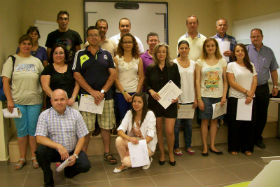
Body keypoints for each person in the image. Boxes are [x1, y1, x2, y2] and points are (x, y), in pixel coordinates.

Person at [73, 26, 117, 164]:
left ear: (100, 37)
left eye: (96, 35)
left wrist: (102, 92)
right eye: (91, 35)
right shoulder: (79, 54)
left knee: (106, 127)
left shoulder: (107, 54)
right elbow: (76, 74)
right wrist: (92, 92)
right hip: (87, 97)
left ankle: (107, 153)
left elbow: (113, 74)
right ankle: (84, 156)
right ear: (87, 38)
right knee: (86, 129)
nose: (93, 37)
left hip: (106, 97)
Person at [2, 34, 44, 169]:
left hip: (35, 102)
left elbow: (43, 80)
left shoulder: (37, 61)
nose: (26, 46)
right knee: (21, 131)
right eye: (24, 43)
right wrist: (9, 100)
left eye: (29, 44)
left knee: (32, 130)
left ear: (32, 46)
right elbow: (5, 81)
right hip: (17, 102)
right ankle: (21, 158)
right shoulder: (12, 60)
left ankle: (34, 157)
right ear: (19, 45)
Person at [35, 89, 90, 187]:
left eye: (62, 99)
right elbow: (39, 138)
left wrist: (75, 155)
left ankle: (69, 171)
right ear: (51, 101)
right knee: (40, 151)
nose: (59, 102)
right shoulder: (44, 115)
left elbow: (82, 136)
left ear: (67, 100)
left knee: (85, 166)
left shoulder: (75, 114)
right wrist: (58, 146)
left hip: (71, 151)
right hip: (55, 152)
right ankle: (48, 178)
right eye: (56, 100)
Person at [145, 43, 180, 166]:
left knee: (169, 131)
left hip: (170, 103)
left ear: (167, 53)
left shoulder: (173, 67)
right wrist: (151, 91)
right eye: (159, 51)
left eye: (163, 51)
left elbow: (178, 84)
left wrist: (176, 96)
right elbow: (146, 84)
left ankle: (170, 153)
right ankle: (162, 154)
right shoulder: (150, 68)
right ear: (155, 54)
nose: (161, 54)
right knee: (159, 130)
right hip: (155, 103)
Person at [247, 28, 279, 149]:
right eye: (253, 37)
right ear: (250, 38)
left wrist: (275, 85)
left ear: (262, 37)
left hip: (263, 88)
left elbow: (273, 70)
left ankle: (258, 138)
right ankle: (248, 138)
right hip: (249, 88)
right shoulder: (246, 50)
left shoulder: (269, 52)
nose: (255, 39)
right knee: (250, 114)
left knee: (262, 114)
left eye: (257, 36)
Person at [195, 38, 228, 156]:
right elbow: (197, 81)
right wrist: (199, 99)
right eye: (208, 46)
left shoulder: (222, 61)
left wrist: (224, 96)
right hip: (205, 96)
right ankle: (204, 146)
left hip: (218, 96)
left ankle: (212, 145)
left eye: (212, 46)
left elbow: (225, 81)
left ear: (216, 47)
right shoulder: (200, 62)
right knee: (204, 122)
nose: (210, 48)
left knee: (215, 122)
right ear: (205, 48)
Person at [113, 93, 157, 173]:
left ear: (144, 103)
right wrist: (129, 139)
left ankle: (147, 159)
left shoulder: (150, 114)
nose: (136, 104)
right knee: (119, 140)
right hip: (134, 141)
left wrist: (136, 148)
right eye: (134, 101)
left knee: (128, 161)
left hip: (147, 144)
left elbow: (150, 137)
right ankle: (124, 164)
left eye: (139, 102)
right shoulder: (130, 113)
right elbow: (120, 130)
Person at [227, 44, 257, 156]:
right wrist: (246, 91)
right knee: (235, 124)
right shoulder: (231, 65)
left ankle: (247, 148)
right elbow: (232, 82)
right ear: (234, 53)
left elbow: (254, 80)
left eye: (242, 50)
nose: (240, 52)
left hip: (249, 99)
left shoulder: (251, 65)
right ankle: (234, 147)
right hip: (236, 98)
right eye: (237, 51)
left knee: (249, 124)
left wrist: (251, 94)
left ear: (245, 52)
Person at [114, 33, 144, 123]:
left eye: (130, 42)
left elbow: (141, 77)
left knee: (135, 120)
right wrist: (124, 93)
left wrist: (137, 93)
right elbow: (115, 79)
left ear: (133, 44)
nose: (127, 44)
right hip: (121, 94)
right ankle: (125, 137)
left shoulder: (138, 59)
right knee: (124, 120)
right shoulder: (116, 59)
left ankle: (135, 137)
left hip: (135, 93)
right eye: (125, 42)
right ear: (121, 44)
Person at [173, 40, 196, 156]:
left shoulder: (193, 63)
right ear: (178, 49)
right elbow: (171, 83)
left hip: (191, 99)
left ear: (189, 49)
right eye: (181, 48)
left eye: (186, 48)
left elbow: (196, 82)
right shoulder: (173, 63)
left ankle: (188, 146)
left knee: (188, 126)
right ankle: (176, 147)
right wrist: (175, 98)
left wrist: (196, 98)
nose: (184, 50)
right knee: (176, 127)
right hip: (179, 100)